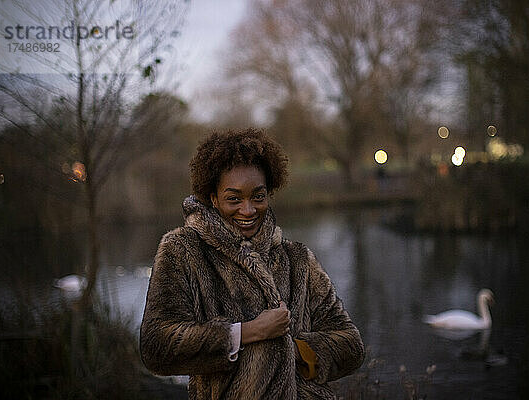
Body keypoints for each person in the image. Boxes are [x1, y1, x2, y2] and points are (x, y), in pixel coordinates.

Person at [140, 128, 365, 399]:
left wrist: (295, 351)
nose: (248, 210)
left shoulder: (298, 259)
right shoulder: (183, 250)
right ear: (213, 197)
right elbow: (156, 347)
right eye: (234, 199)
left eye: (258, 196)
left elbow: (351, 346)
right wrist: (247, 333)